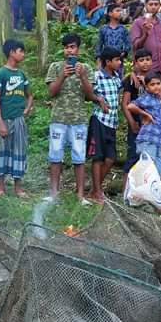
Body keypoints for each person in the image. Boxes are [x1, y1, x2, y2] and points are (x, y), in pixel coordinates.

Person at [46, 33, 93, 200]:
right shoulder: (55, 67)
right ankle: (53, 194)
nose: (69, 51)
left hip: (79, 119)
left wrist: (83, 77)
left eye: (72, 47)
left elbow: (90, 96)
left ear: (78, 49)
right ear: (63, 50)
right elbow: (51, 92)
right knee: (55, 156)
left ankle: (80, 195)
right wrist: (62, 76)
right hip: (58, 119)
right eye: (66, 47)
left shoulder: (85, 68)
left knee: (79, 157)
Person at [0, 39, 32, 197]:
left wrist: (27, 109)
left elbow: (30, 95)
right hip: (5, 119)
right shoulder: (1, 73)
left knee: (19, 150)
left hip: (19, 119)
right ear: (11, 52)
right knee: (4, 150)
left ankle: (18, 187)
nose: (22, 54)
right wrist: (0, 121)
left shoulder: (22, 74)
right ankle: (0, 186)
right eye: (20, 51)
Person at [87, 47, 123, 203]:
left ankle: (95, 190)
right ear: (108, 62)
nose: (120, 63)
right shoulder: (97, 76)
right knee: (98, 157)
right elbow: (87, 93)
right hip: (99, 120)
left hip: (112, 123)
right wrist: (98, 99)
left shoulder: (116, 77)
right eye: (117, 60)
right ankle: (97, 191)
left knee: (110, 158)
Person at [121, 48, 154, 180]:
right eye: (141, 60)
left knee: (148, 155)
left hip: (151, 124)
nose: (145, 63)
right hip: (136, 122)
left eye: (148, 60)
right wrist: (131, 122)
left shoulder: (154, 78)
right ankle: (125, 190)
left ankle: (143, 188)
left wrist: (145, 83)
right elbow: (125, 103)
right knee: (133, 154)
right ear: (135, 62)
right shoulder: (130, 79)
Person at [125, 72, 161, 176]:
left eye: (158, 83)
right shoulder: (146, 97)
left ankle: (148, 191)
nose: (156, 86)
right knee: (147, 168)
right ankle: (138, 189)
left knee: (159, 170)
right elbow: (130, 106)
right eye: (152, 84)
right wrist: (145, 114)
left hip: (157, 140)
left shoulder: (157, 99)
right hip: (148, 139)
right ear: (147, 87)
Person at [130, 0, 161, 76]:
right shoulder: (138, 23)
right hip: (144, 70)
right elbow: (136, 46)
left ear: (160, 6)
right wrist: (145, 34)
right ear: (145, 5)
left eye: (156, 4)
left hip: (160, 69)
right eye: (151, 4)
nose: (153, 7)